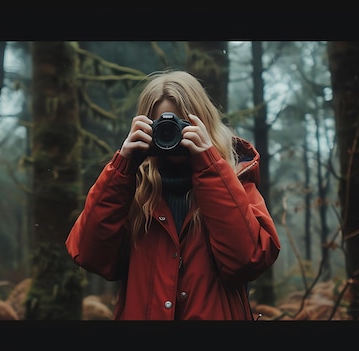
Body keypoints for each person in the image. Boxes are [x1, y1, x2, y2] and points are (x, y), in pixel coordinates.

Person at [66, 70, 281, 320]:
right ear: (145, 128)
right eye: (162, 127)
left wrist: (209, 166)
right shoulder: (131, 188)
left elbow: (248, 260)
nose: (172, 135)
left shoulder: (236, 181)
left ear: (204, 124)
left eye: (182, 126)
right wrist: (122, 167)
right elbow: (89, 254)